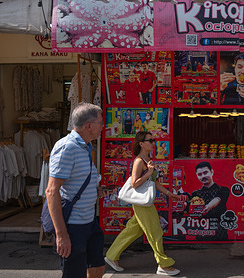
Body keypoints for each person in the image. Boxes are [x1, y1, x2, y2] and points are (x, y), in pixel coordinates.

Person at [104, 131, 181, 276]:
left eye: (153, 140)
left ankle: (111, 255)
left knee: (133, 230)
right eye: (150, 141)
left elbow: (154, 182)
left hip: (143, 203)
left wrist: (169, 194)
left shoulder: (147, 160)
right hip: (142, 203)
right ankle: (163, 264)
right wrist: (148, 172)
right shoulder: (139, 161)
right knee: (155, 232)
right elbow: (134, 183)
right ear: (141, 143)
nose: (153, 143)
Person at [45, 102, 108, 278]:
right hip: (73, 226)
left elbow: (75, 182)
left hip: (89, 222)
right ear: (89, 125)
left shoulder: (85, 147)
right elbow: (51, 191)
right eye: (100, 123)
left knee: (97, 267)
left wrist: (95, 191)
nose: (103, 127)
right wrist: (61, 234)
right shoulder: (68, 147)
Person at [191, 161, 230, 240]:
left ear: (212, 172)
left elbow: (217, 199)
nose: (203, 176)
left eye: (205, 173)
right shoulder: (195, 194)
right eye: (199, 174)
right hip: (201, 234)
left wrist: (208, 206)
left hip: (220, 234)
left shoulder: (223, 190)